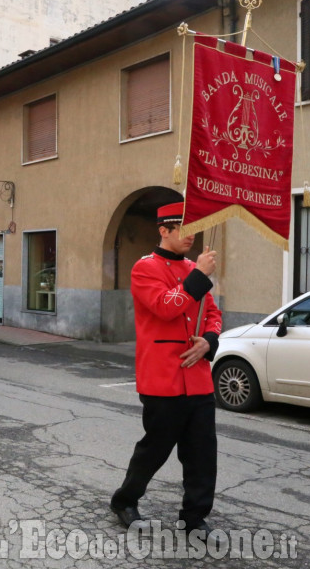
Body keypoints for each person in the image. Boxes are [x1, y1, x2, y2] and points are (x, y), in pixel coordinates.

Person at [110, 201, 222, 539]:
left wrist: (210, 341)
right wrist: (200, 275)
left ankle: (194, 516)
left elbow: (213, 312)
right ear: (164, 230)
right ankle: (124, 500)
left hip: (199, 378)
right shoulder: (144, 268)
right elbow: (165, 307)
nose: (191, 236)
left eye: (193, 229)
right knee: (155, 450)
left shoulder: (193, 267)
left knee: (202, 453)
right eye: (183, 229)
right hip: (163, 378)